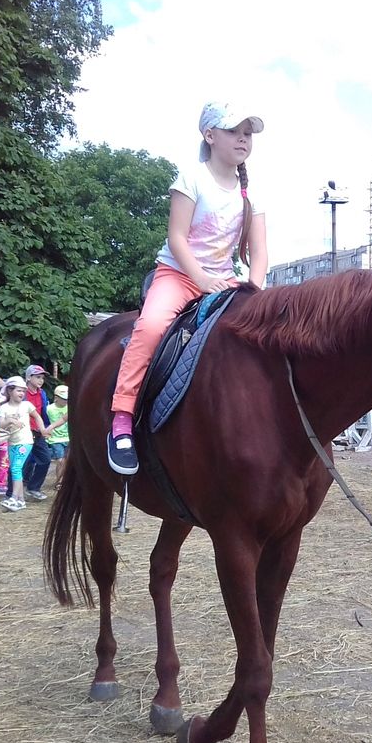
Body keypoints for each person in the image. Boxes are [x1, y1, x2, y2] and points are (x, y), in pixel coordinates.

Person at [108, 100, 269, 475]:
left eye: (247, 133)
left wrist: (254, 290)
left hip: (227, 282)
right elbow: (177, 238)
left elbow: (259, 254)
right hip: (180, 276)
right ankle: (122, 417)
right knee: (149, 328)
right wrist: (201, 280)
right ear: (209, 135)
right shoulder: (191, 178)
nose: (243, 139)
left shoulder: (253, 195)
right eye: (234, 131)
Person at [0, 375, 46, 511]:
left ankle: (13, 497)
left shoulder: (27, 405)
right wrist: (10, 421)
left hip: (25, 442)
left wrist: (42, 429)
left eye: (23, 391)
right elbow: (0, 425)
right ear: (9, 391)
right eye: (18, 390)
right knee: (14, 469)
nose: (21, 393)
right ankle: (21, 500)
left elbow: (37, 417)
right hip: (12, 442)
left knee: (16, 468)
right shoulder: (4, 408)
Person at [21, 364, 53, 500]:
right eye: (38, 377)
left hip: (38, 432)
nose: (41, 380)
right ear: (28, 378)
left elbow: (43, 412)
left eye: (42, 378)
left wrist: (46, 427)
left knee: (45, 459)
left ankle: (33, 488)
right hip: (23, 432)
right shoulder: (22, 393)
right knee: (21, 462)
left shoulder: (42, 393)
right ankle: (12, 493)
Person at [45, 384, 70, 484]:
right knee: (60, 461)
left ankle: (63, 481)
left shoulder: (70, 408)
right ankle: (59, 481)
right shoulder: (49, 409)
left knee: (67, 461)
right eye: (64, 399)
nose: (66, 401)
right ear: (56, 398)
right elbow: (44, 421)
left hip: (68, 438)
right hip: (55, 439)